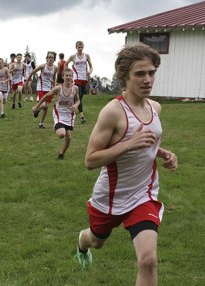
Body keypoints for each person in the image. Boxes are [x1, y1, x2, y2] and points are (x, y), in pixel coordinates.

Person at [75, 44, 178, 286]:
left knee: (148, 260)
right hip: (110, 197)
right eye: (140, 74)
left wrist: (164, 153)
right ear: (124, 77)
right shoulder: (112, 112)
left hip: (144, 194)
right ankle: (82, 241)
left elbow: (147, 144)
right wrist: (128, 144)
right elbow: (90, 160)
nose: (147, 79)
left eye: (151, 73)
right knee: (96, 241)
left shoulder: (155, 108)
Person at [32, 68, 80, 159]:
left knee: (69, 138)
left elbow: (78, 100)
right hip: (59, 114)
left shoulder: (75, 89)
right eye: (66, 76)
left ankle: (61, 154)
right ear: (63, 77)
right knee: (62, 134)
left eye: (70, 76)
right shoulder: (58, 88)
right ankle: (58, 127)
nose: (68, 77)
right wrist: (37, 106)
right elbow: (46, 96)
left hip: (70, 115)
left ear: (72, 77)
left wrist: (76, 105)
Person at [26, 51, 57, 128]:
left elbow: (54, 78)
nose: (50, 59)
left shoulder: (55, 68)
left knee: (46, 107)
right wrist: (27, 81)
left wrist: (55, 87)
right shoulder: (42, 66)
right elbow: (32, 72)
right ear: (46, 58)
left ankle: (41, 123)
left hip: (50, 89)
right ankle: (36, 107)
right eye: (49, 57)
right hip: (41, 88)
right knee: (43, 105)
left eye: (52, 57)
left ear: (54, 59)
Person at [65, 41, 93, 123]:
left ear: (83, 47)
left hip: (84, 79)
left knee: (80, 97)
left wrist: (90, 72)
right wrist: (68, 73)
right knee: (79, 96)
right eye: (78, 47)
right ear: (76, 47)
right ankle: (82, 116)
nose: (80, 48)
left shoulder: (87, 56)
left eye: (81, 47)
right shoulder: (73, 56)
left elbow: (91, 67)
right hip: (76, 79)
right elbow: (66, 64)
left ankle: (72, 106)